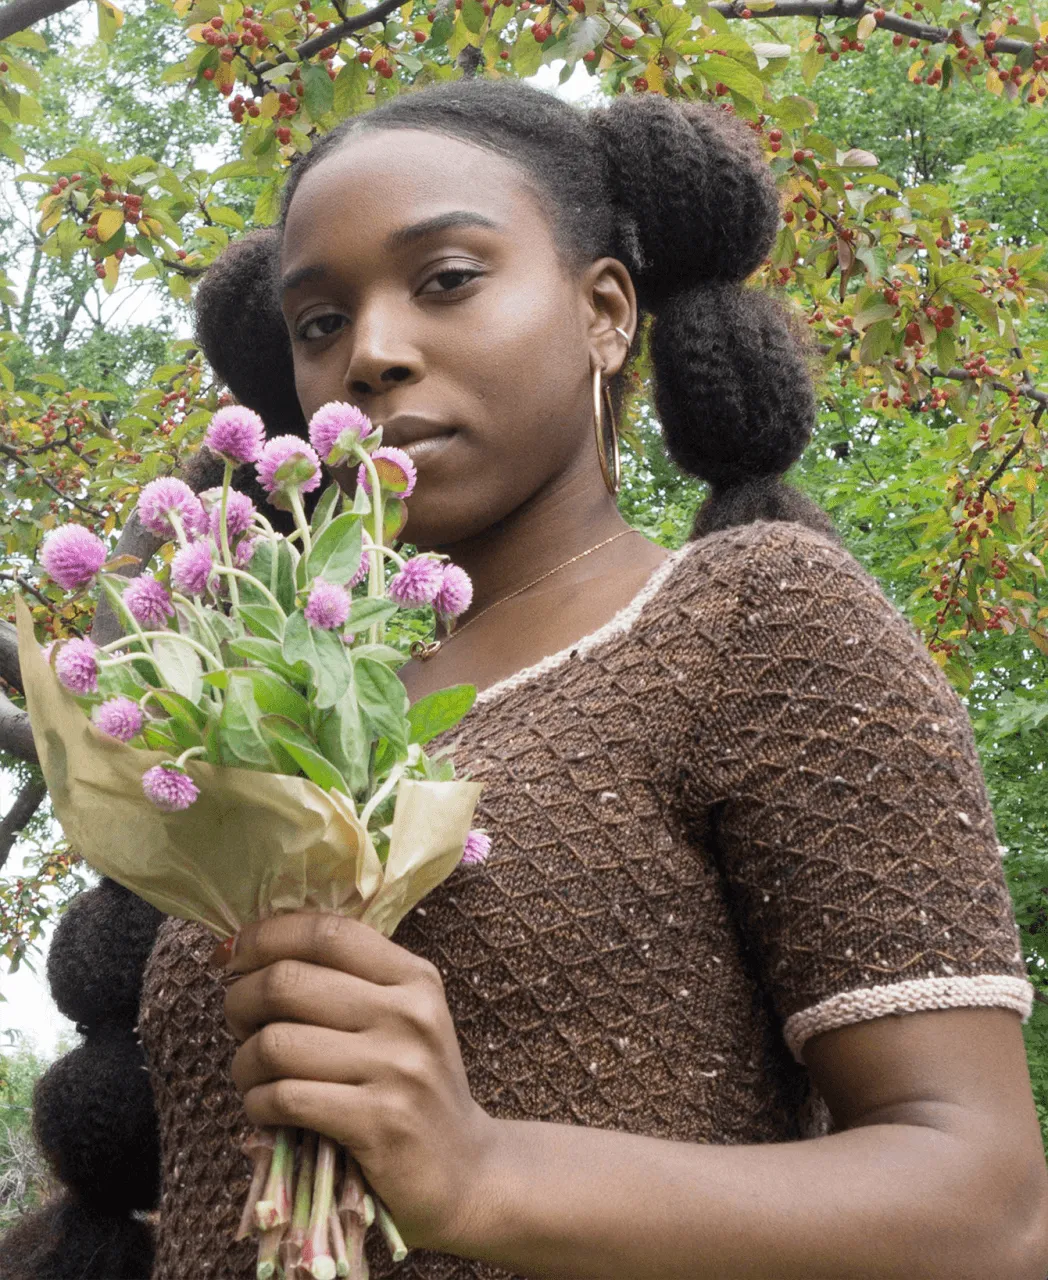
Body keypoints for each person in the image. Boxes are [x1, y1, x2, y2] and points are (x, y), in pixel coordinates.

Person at [73, 78, 1048, 1279]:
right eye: (319, 321)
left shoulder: (749, 619)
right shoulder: (264, 702)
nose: (371, 353)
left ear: (603, 311)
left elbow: (987, 1209)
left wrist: (482, 1171)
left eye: (445, 280)